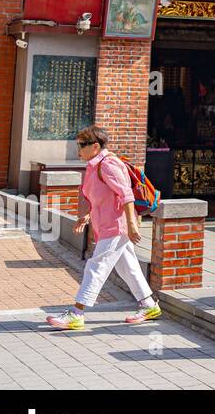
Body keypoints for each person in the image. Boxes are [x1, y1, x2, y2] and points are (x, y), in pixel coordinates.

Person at [46, 126, 162, 330]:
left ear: (95, 146)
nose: (78, 150)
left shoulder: (108, 164)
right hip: (109, 225)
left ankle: (77, 313)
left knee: (96, 266)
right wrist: (86, 216)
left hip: (117, 225)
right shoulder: (94, 165)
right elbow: (101, 198)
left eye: (81, 145)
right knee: (127, 267)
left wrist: (132, 225)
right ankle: (149, 305)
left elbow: (126, 195)